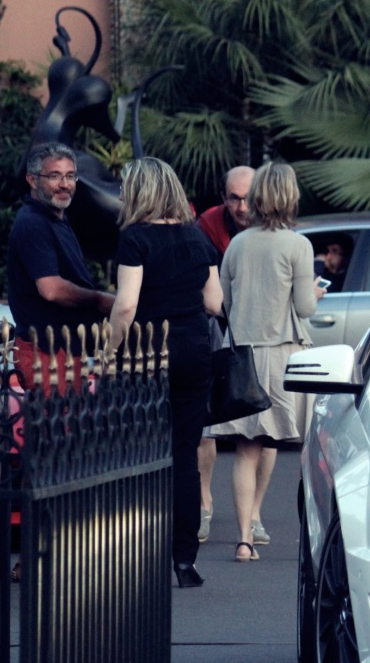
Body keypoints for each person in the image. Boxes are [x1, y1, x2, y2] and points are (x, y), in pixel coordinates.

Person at [107, 158, 222, 589]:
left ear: (139, 192)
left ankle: (139, 550)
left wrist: (108, 350)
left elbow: (126, 305)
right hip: (194, 349)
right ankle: (184, 560)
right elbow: (214, 303)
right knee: (185, 455)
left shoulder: (135, 239)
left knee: (140, 451)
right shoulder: (197, 238)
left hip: (147, 352)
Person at [209, 163, 323, 562]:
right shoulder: (297, 246)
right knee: (276, 442)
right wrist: (313, 292)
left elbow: (224, 302)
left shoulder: (238, 244)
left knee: (245, 448)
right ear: (289, 197)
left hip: (243, 357)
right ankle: (261, 518)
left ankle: (243, 538)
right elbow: (305, 308)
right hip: (282, 356)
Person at [194, 166, 271, 546]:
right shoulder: (207, 225)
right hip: (217, 322)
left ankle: (253, 512)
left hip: (261, 332)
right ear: (223, 198)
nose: (242, 206)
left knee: (264, 428)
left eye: (248, 197)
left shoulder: (276, 227)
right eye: (234, 198)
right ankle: (204, 500)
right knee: (207, 418)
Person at [6, 142, 116, 393]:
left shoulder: (57, 219)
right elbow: (51, 289)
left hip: (63, 351)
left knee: (67, 429)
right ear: (32, 180)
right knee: (54, 430)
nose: (65, 184)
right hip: (44, 353)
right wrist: (99, 299)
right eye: (54, 176)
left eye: (70, 176)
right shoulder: (33, 223)